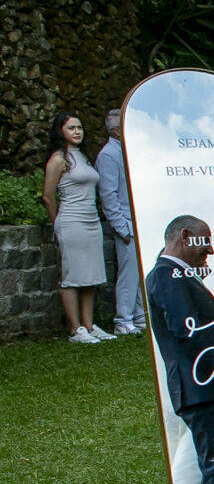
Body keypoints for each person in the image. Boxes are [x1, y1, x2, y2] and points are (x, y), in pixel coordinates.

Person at [145, 215, 214, 484]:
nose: (211, 251)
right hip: (203, 386)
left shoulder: (174, 276)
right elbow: (187, 331)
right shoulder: (167, 276)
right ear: (186, 235)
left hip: (201, 386)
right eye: (205, 240)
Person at [42, 112, 113, 344]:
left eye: (79, 127)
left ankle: (89, 325)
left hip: (91, 220)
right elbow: (48, 197)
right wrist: (57, 225)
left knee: (90, 274)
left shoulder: (82, 156)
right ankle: (75, 329)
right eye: (71, 128)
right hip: (71, 221)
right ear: (60, 131)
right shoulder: (58, 158)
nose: (77, 131)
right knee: (72, 276)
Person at [95, 110, 143, 336]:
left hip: (136, 222)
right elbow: (108, 195)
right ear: (116, 131)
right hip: (126, 223)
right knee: (128, 274)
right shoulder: (108, 155)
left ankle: (140, 317)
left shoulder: (128, 151)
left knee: (140, 272)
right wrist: (122, 227)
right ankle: (123, 319)